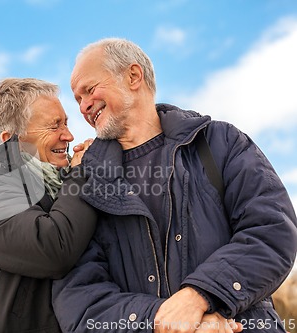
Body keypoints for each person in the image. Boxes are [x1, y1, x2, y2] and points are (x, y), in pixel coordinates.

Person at [52, 37, 297, 333]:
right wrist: (163, 319)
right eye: (77, 100)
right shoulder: (85, 181)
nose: (84, 106)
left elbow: (272, 230)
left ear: (133, 76)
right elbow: (78, 298)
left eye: (89, 90)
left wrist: (199, 296)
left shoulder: (220, 142)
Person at [0, 78, 96, 333]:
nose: (68, 135)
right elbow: (53, 248)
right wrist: (80, 175)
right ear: (10, 142)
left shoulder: (59, 186)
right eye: (54, 125)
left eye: (66, 122)